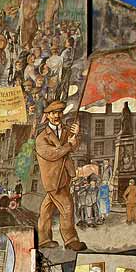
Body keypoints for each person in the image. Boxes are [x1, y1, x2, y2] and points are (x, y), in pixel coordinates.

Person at [35, 100, 87, 251]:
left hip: (64, 176)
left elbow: (74, 147)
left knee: (47, 209)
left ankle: (43, 239)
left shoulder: (65, 130)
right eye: (53, 113)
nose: (56, 116)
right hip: (52, 179)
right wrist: (69, 145)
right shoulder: (41, 138)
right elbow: (53, 154)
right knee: (67, 206)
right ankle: (71, 241)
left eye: (59, 112)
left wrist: (76, 135)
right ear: (47, 115)